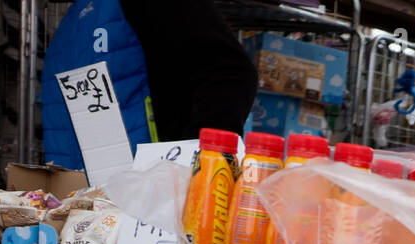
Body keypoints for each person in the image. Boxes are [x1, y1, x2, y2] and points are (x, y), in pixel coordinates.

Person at [43, 0, 258, 170]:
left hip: (147, 206)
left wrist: (186, 170)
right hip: (89, 209)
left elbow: (232, 74)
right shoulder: (74, 19)